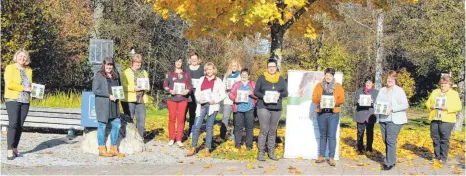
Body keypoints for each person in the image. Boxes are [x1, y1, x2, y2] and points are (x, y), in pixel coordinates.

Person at [187, 62, 226, 157]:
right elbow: (197, 92)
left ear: (214, 70)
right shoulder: (201, 79)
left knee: (209, 127)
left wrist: (215, 100)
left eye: (210, 69)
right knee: (196, 126)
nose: (208, 71)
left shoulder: (219, 81)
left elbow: (223, 94)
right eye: (207, 69)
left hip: (212, 106)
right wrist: (198, 99)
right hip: (202, 105)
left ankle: (207, 148)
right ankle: (193, 147)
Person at [254, 59, 288, 161]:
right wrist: (263, 96)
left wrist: (279, 94)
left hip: (276, 108)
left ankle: (271, 152)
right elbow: (256, 91)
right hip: (263, 107)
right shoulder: (262, 78)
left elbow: (286, 93)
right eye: (269, 66)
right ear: (267, 68)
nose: (271, 68)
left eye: (273, 66)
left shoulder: (281, 79)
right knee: (264, 130)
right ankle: (261, 152)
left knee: (272, 131)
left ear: (276, 67)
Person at [375, 71, 409, 170]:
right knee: (385, 140)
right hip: (383, 118)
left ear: (395, 80)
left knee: (390, 140)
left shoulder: (399, 90)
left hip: (395, 119)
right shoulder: (382, 90)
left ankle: (389, 162)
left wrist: (392, 109)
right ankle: (391, 159)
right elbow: (377, 103)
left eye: (391, 78)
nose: (389, 80)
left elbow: (405, 105)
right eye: (388, 78)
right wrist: (377, 108)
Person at [92, 57, 125, 157]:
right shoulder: (99, 75)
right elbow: (95, 90)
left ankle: (113, 148)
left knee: (116, 125)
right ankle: (101, 149)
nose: (109, 67)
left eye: (111, 65)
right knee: (102, 126)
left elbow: (119, 88)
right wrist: (108, 95)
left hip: (114, 105)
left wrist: (119, 95)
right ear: (104, 65)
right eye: (107, 65)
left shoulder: (116, 75)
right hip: (103, 105)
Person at [425, 75, 462, 164]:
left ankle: (443, 157)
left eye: (445, 85)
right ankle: (437, 156)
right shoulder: (435, 92)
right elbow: (427, 103)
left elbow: (458, 107)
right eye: (442, 84)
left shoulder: (454, 94)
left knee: (444, 139)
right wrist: (430, 106)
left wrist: (447, 108)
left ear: (450, 85)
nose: (443, 86)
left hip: (447, 119)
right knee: (435, 138)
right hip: (435, 118)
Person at [312, 68, 345, 166]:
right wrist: (319, 101)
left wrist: (336, 102)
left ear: (333, 76)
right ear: (324, 75)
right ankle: (321, 156)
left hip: (333, 114)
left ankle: (331, 158)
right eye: (326, 75)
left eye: (330, 75)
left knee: (331, 136)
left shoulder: (338, 86)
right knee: (322, 135)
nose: (328, 77)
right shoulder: (318, 86)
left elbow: (342, 99)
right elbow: (314, 98)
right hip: (321, 113)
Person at [4, 49, 33, 160]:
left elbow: (30, 84)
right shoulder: (10, 68)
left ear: (27, 59)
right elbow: (9, 84)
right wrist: (23, 88)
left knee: (20, 125)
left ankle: (15, 147)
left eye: (24, 57)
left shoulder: (29, 70)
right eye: (20, 56)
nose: (22, 58)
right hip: (12, 98)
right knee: (13, 124)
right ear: (16, 57)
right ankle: (10, 150)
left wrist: (35, 90)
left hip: (25, 100)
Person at [163, 59, 192, 147]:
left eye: (180, 62)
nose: (178, 63)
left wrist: (187, 90)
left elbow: (190, 86)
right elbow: (165, 85)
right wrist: (169, 90)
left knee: (181, 119)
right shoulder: (169, 74)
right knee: (172, 118)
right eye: (176, 62)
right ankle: (171, 138)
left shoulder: (186, 74)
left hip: (183, 99)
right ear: (174, 63)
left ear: (182, 63)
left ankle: (179, 139)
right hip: (172, 99)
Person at [121, 54, 150, 138]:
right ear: (132, 62)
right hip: (129, 99)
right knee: (129, 120)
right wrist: (134, 88)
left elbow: (148, 86)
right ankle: (128, 138)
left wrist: (146, 88)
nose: (138, 64)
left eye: (139, 62)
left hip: (141, 99)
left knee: (141, 119)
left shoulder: (144, 72)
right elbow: (123, 86)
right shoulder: (126, 72)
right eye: (136, 62)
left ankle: (139, 138)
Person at [228, 68, 257, 150]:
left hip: (249, 108)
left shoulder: (253, 84)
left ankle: (249, 145)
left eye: (245, 74)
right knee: (238, 127)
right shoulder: (236, 84)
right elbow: (230, 94)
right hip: (238, 109)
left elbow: (258, 95)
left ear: (249, 76)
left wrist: (252, 93)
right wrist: (235, 99)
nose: (244, 76)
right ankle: (238, 144)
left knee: (249, 127)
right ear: (240, 75)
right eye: (242, 74)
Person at [354, 76, 379, 153]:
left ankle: (369, 148)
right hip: (361, 114)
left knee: (370, 132)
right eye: (367, 82)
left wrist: (373, 101)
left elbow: (378, 103)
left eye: (370, 82)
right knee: (360, 132)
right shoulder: (359, 91)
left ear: (373, 84)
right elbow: (354, 102)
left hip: (370, 115)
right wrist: (358, 101)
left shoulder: (376, 92)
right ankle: (360, 148)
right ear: (365, 83)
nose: (368, 84)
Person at [221, 60, 242, 141]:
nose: (234, 67)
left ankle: (233, 136)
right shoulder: (226, 75)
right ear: (230, 66)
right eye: (232, 65)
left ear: (237, 67)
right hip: (227, 99)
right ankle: (222, 136)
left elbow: (241, 86)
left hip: (236, 100)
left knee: (236, 119)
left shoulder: (240, 75)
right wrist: (225, 89)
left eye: (235, 65)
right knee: (225, 117)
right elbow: (223, 86)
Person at [186, 52, 204, 137]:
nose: (194, 60)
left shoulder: (201, 69)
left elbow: (204, 81)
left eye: (195, 59)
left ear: (198, 59)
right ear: (190, 59)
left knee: (194, 113)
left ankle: (192, 130)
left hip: (197, 94)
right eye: (192, 58)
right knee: (183, 113)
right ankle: (181, 131)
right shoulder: (186, 68)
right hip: (186, 94)